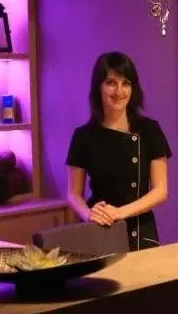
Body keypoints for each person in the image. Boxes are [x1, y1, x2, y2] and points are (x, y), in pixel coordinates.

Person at [66, 52, 172, 251]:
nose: (119, 91)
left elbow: (160, 191)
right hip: (100, 229)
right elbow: (73, 194)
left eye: (126, 83)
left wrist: (120, 213)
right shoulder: (83, 136)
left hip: (140, 232)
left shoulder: (149, 130)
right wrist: (89, 214)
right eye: (111, 82)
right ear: (98, 87)